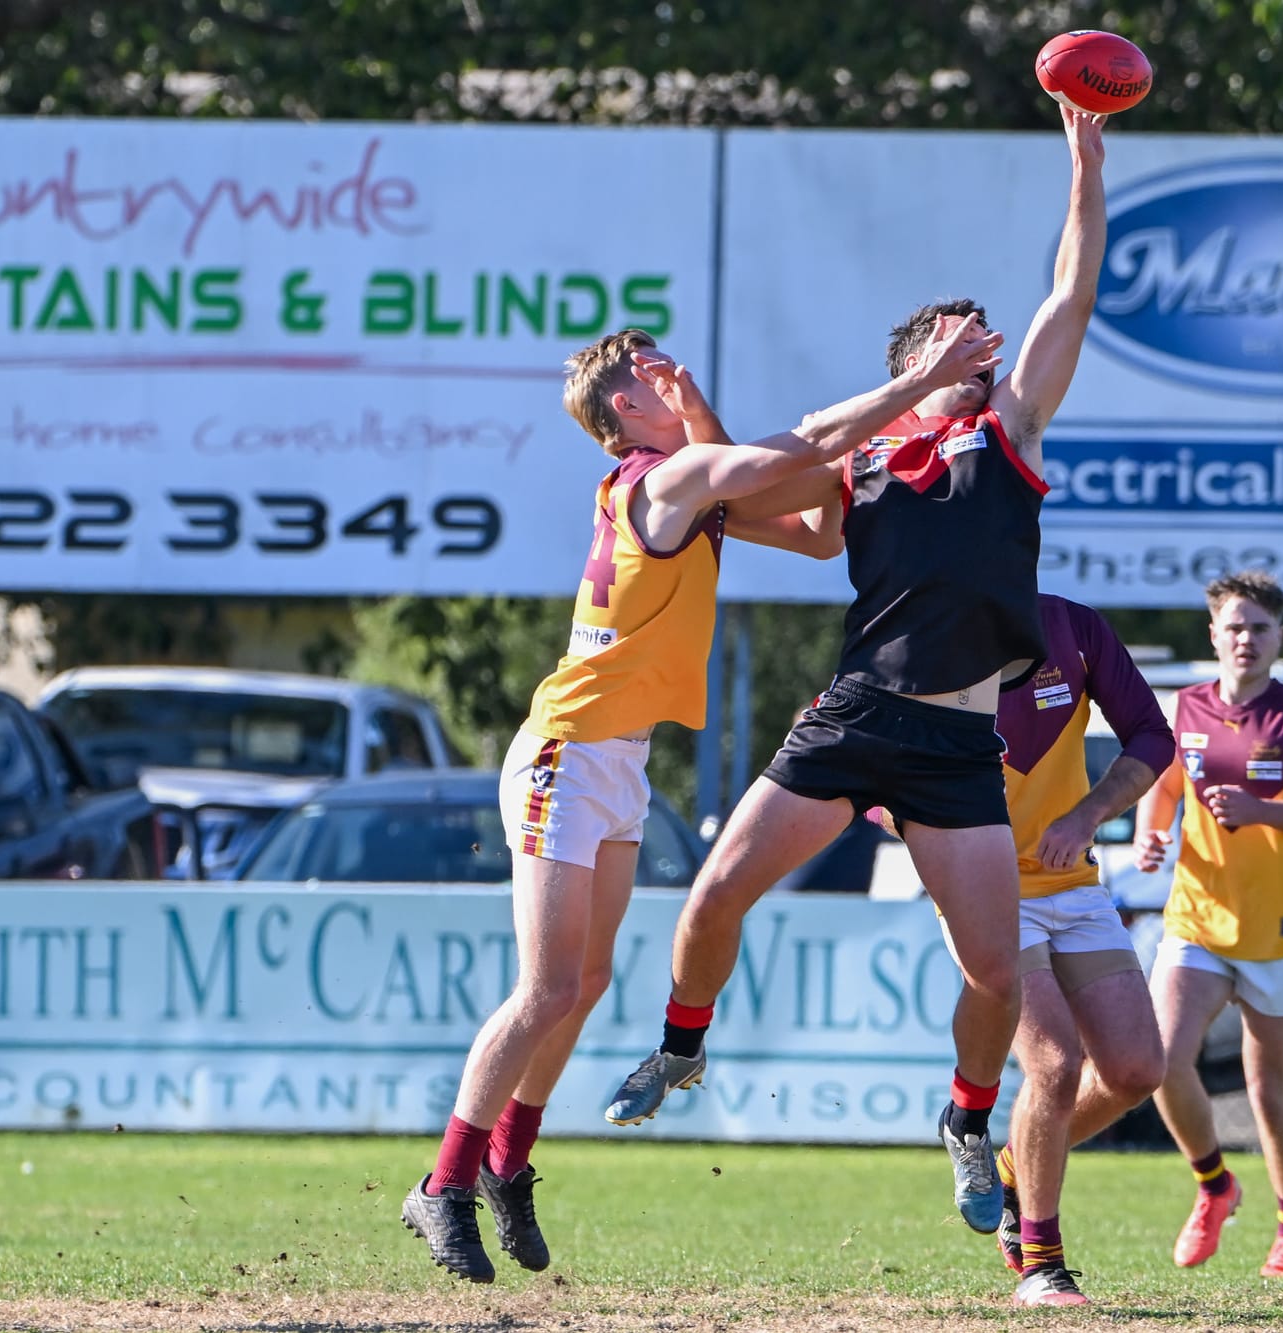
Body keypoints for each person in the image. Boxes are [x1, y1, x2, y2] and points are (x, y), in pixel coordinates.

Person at [399, 318, 1001, 1284]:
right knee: (546, 986)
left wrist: (720, 415)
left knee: (584, 983)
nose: (672, 376)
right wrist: (915, 383)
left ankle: (508, 1161)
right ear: (624, 409)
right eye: (652, 376)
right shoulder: (661, 478)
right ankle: (443, 1183)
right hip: (565, 750)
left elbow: (818, 532)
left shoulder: (683, 482)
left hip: (617, 760)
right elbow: (803, 448)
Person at [603, 105, 1111, 1241]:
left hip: (958, 741)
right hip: (856, 716)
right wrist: (695, 416)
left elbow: (1069, 296)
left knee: (994, 973)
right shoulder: (864, 457)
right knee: (715, 895)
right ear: (914, 366)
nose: (982, 346)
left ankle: (965, 1119)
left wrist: (1084, 164)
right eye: (956, 338)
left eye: (982, 338)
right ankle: (682, 1045)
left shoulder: (1008, 434)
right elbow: (745, 481)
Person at [1133, 571, 1283, 1279]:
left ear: (1279, 637)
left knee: (1267, 1088)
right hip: (1197, 917)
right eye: (1234, 626)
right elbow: (1162, 786)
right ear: (1214, 634)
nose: (1246, 639)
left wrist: (1263, 811)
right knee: (1160, 1061)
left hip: (1277, 927)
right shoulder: (1186, 707)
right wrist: (1150, 833)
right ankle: (1214, 1185)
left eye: (1260, 628)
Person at [976, 593, 1172, 1307]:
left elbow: (1152, 736)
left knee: (1136, 1069)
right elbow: (870, 777)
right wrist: (933, 830)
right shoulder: (927, 626)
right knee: (1055, 1067)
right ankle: (1041, 1263)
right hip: (986, 891)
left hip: (1074, 885)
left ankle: (1009, 1166)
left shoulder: (1074, 627)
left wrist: (1087, 814)